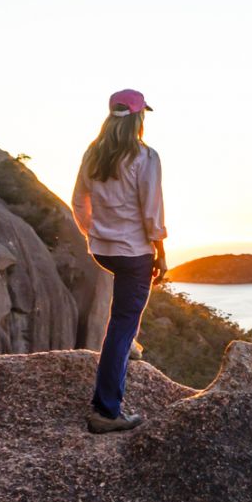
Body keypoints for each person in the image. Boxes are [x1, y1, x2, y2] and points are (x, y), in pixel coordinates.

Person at [70, 88, 168, 434]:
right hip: (133, 251)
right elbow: (151, 212)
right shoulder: (145, 157)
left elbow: (79, 201)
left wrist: (93, 234)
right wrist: (161, 252)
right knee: (122, 322)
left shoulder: (93, 155)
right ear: (140, 118)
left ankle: (129, 347)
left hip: (103, 250)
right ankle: (106, 411)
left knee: (124, 314)